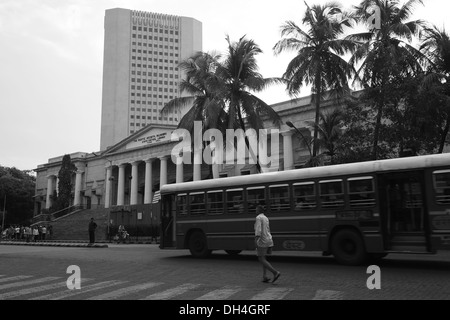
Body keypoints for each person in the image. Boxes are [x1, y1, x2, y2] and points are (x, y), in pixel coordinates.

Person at [254, 205, 281, 283]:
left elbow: (258, 229)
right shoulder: (265, 217)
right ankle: (264, 276)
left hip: (262, 240)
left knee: (261, 258)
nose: (255, 210)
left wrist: (256, 239)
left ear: (259, 210)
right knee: (264, 258)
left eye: (256, 209)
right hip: (268, 239)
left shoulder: (258, 217)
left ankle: (275, 272)